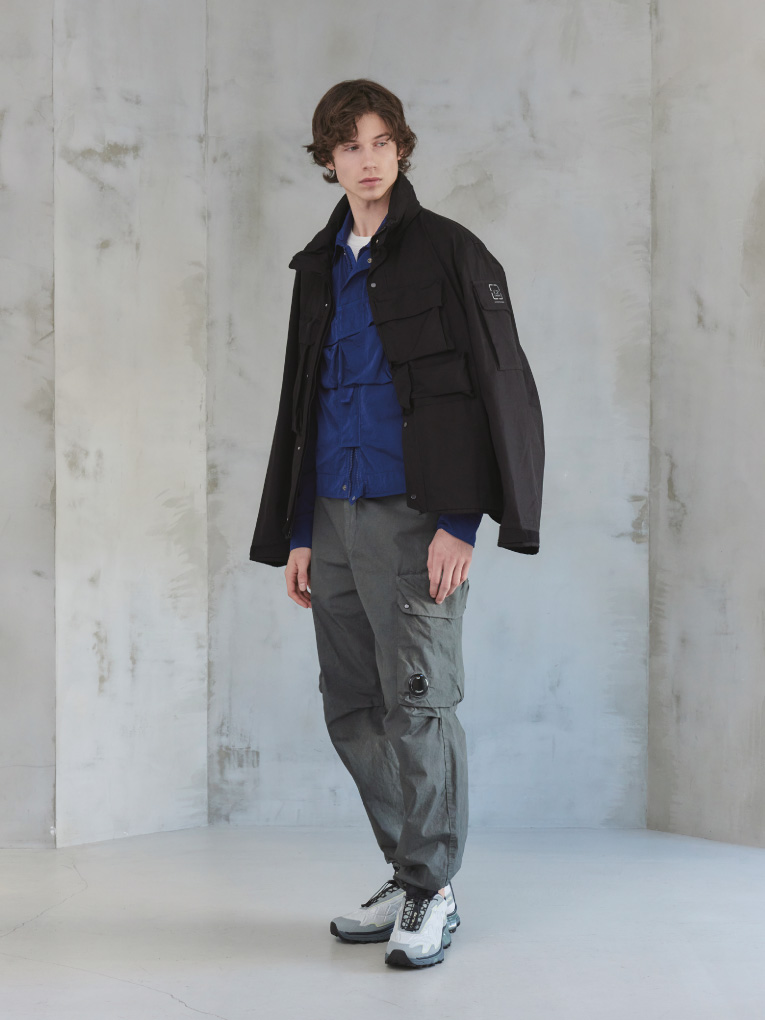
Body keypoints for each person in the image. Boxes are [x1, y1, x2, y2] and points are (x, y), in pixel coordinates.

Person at [249, 79, 545, 969]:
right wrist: (300, 531)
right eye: (349, 146)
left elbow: (496, 387)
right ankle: (411, 870)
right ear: (328, 160)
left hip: (416, 520)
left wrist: (461, 521)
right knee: (351, 706)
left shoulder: (451, 252)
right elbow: (305, 406)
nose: (367, 159)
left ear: (402, 149)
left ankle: (432, 888)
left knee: (416, 704)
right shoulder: (319, 266)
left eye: (381, 141)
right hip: (332, 517)